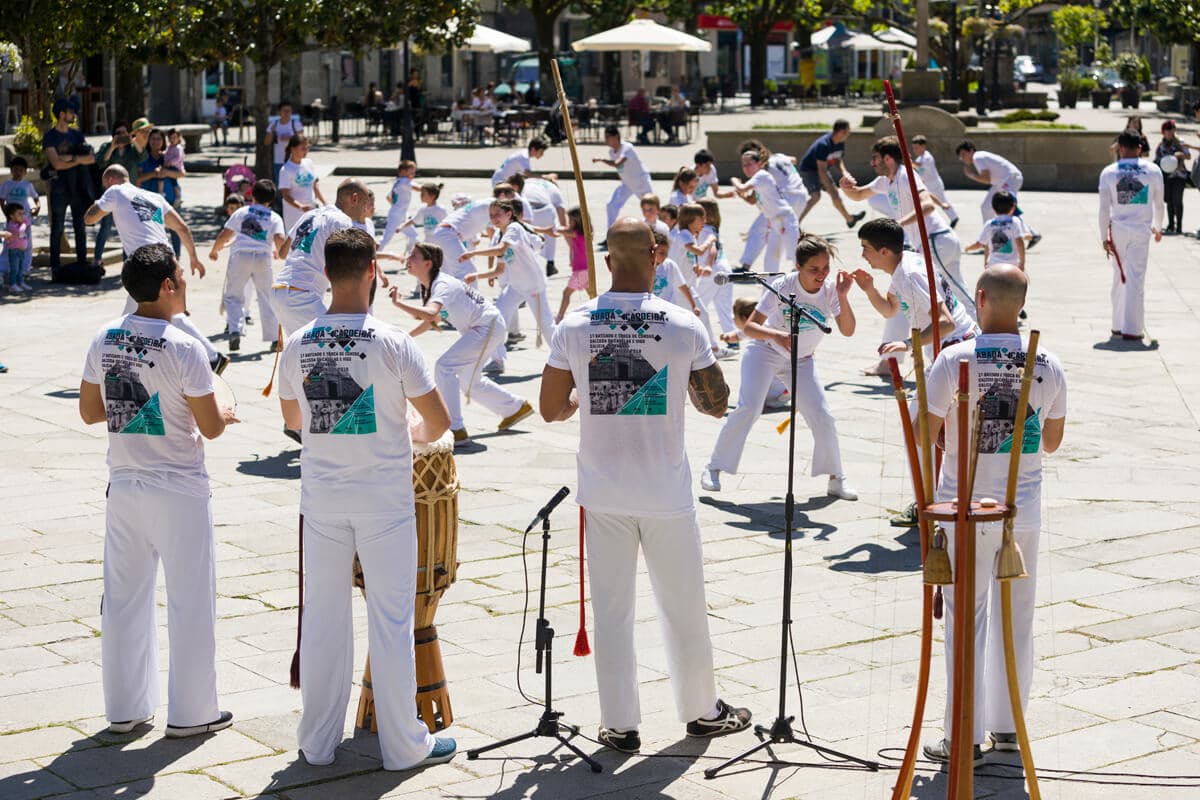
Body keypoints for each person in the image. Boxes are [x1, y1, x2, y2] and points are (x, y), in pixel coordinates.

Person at [539, 217, 752, 754]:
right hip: (665, 490)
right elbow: (716, 404)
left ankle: (619, 724)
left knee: (611, 611)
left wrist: (584, 397)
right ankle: (702, 710)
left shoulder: (575, 325)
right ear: (657, 256)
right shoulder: (682, 324)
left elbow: (549, 409)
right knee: (684, 605)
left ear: (608, 261)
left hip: (603, 489)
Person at [276, 228, 457, 771]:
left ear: (326, 275)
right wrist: (405, 431)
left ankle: (317, 743)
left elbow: (292, 422)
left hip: (324, 502)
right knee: (392, 620)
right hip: (384, 502)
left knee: (324, 621)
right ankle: (403, 745)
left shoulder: (299, 341)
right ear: (373, 271)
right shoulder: (394, 341)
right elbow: (439, 422)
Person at [78, 242, 237, 739]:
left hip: (124, 485)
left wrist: (138, 407)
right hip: (178, 487)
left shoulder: (105, 337)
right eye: (180, 277)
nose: (185, 284)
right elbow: (210, 427)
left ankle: (125, 709)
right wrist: (225, 414)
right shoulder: (184, 347)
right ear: (168, 285)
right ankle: (192, 713)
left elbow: (89, 411)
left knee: (124, 599)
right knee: (191, 599)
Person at [920, 265, 1067, 765]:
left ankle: (965, 734)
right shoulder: (1046, 362)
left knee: (966, 619)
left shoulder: (955, 357)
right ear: (1020, 303)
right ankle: (1008, 726)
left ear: (979, 298)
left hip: (964, 507)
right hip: (1020, 507)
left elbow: (925, 431)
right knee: (1017, 618)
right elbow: (1051, 439)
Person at [701, 234, 859, 500]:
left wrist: (843, 295)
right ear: (797, 266)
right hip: (765, 352)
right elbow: (750, 327)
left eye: (825, 268)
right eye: (814, 269)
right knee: (749, 408)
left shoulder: (831, 289)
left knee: (822, 415)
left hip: (803, 359)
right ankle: (713, 467)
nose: (821, 275)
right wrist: (776, 336)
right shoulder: (784, 285)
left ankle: (836, 479)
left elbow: (848, 330)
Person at [390, 242, 534, 445]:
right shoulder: (433, 285)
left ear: (428, 263)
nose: (409, 259)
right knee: (470, 383)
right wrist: (407, 336)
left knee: (444, 366)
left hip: (487, 327)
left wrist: (398, 304)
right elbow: (434, 320)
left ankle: (455, 429)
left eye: (414, 256)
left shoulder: (441, 285)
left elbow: (431, 314)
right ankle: (516, 408)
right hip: (484, 328)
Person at [84, 166, 224, 372]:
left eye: (105, 185)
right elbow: (182, 228)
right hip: (168, 260)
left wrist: (98, 203)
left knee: (141, 317)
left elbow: (89, 219)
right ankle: (124, 365)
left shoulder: (115, 191)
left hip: (147, 264)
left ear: (112, 180)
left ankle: (212, 357)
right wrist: (194, 258)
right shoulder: (154, 197)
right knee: (150, 314)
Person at [839, 136, 972, 317]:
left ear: (888, 159)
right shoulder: (885, 181)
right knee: (949, 292)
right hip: (933, 243)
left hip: (935, 240)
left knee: (952, 292)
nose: (872, 163)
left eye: (875, 158)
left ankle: (979, 331)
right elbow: (859, 194)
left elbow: (927, 205)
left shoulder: (906, 175)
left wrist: (898, 224)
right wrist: (845, 187)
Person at [851, 218, 977, 362]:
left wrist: (909, 344)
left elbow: (946, 323)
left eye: (865, 248)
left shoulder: (910, 275)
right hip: (954, 344)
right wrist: (869, 289)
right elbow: (890, 309)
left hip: (957, 346)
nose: (862, 255)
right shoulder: (904, 263)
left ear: (884, 251)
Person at [460, 199, 556, 371]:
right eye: (491, 216)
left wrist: (473, 253)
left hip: (533, 285)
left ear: (509, 214)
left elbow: (501, 250)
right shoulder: (499, 235)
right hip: (516, 286)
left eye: (498, 214)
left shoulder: (514, 229)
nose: (494, 218)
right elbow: (499, 269)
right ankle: (497, 361)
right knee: (493, 320)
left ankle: (565, 361)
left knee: (546, 326)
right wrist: (476, 275)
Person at [273, 179, 371, 338]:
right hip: (302, 296)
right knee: (340, 346)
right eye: (365, 203)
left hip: (280, 290)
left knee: (304, 353)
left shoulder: (309, 215)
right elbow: (348, 265)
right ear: (354, 199)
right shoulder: (342, 221)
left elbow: (283, 252)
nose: (365, 210)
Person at [1099, 128, 1164, 341]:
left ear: (1120, 147)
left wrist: (1103, 237)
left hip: (1118, 229)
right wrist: (1159, 226)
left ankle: (1117, 325)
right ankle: (1133, 328)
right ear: (1139, 147)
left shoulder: (1109, 172)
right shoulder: (1153, 170)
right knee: (1135, 278)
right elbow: (1159, 202)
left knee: (1119, 276)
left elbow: (1104, 209)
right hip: (1141, 230)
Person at [209, 179, 286, 354]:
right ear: (271, 199)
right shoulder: (274, 217)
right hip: (262, 258)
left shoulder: (242, 212)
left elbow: (225, 234)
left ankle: (235, 329)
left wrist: (215, 250)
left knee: (233, 295)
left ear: (252, 195)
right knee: (267, 297)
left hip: (240, 256)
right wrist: (282, 253)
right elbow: (280, 239)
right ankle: (274, 338)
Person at [735, 140, 811, 273]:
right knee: (779, 234)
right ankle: (791, 269)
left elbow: (753, 199)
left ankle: (746, 265)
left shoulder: (763, 171)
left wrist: (736, 186)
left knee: (758, 229)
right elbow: (794, 159)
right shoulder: (780, 157)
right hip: (802, 196)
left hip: (787, 200)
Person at [42, 97, 96, 273]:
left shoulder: (77, 135)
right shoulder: (50, 136)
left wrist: (69, 158)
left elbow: (90, 159)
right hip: (59, 189)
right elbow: (56, 164)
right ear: (61, 114)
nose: (74, 115)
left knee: (80, 227)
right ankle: (55, 267)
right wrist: (76, 159)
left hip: (78, 188)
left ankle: (82, 264)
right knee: (57, 228)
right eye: (71, 112)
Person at [956, 140, 1041, 247]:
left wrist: (971, 175)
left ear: (971, 151)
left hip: (1010, 179)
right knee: (986, 207)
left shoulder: (977, 157)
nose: (963, 158)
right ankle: (989, 240)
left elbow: (986, 179)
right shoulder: (979, 157)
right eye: (961, 156)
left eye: (964, 154)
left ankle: (1032, 234)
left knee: (1007, 208)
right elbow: (989, 179)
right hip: (1001, 183)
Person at [797, 119, 865, 228]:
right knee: (816, 196)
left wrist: (845, 172)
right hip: (809, 170)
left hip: (822, 170)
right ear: (841, 132)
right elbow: (822, 171)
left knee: (835, 195)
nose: (849, 134)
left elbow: (838, 160)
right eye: (848, 131)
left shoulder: (840, 143)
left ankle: (850, 219)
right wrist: (831, 189)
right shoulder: (823, 145)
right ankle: (795, 222)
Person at [92, 124, 142, 267]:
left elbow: (142, 155)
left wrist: (133, 141)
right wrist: (113, 146)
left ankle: (129, 261)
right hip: (110, 194)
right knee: (105, 227)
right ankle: (96, 259)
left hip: (129, 195)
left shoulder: (131, 149)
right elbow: (101, 162)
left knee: (129, 227)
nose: (121, 135)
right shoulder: (107, 146)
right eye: (118, 133)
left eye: (124, 132)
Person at [593, 126, 653, 239]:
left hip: (641, 181)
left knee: (650, 207)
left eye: (608, 137)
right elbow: (620, 169)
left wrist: (601, 160)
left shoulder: (627, 147)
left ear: (616, 137)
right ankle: (610, 236)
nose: (606, 140)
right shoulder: (611, 151)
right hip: (627, 184)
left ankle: (655, 233)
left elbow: (618, 163)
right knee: (611, 205)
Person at [136, 129, 185, 255]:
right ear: (148, 141)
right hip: (149, 202)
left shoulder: (168, 156)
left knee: (176, 230)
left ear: (163, 141)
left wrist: (166, 172)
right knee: (154, 233)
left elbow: (182, 173)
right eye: (153, 139)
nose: (156, 142)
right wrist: (154, 173)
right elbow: (137, 178)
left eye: (159, 139)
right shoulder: (143, 157)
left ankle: (176, 262)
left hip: (171, 200)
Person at [511, 173, 567, 276]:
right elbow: (562, 215)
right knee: (551, 235)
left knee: (526, 236)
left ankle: (526, 263)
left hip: (527, 209)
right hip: (545, 210)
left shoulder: (528, 182)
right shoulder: (554, 188)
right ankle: (550, 263)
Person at [430, 195, 492, 280]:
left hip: (449, 248)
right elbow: (476, 241)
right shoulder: (471, 220)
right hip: (465, 253)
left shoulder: (457, 218)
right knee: (467, 272)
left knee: (447, 274)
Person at [0, 156, 40, 278]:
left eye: (21, 170)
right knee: (9, 244)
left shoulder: (27, 185)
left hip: (25, 221)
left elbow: (36, 198)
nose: (18, 173)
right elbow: (1, 200)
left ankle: (24, 269)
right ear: (11, 170)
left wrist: (37, 207)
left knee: (26, 244)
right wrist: (6, 214)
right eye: (15, 170)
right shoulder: (7, 184)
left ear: (25, 172)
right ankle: (4, 267)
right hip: (12, 221)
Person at [278, 134, 325, 234]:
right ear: (293, 149)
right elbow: (286, 196)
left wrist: (325, 203)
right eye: (302, 148)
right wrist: (301, 206)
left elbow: (315, 186)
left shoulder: (309, 163)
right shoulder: (285, 170)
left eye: (307, 148)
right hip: (294, 213)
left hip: (311, 210)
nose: (306, 151)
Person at [911, 134, 958, 227]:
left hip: (934, 184)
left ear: (923, 146)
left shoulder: (927, 157)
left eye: (917, 148)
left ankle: (954, 218)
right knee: (930, 202)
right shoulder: (919, 158)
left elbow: (919, 165)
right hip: (927, 185)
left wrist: (909, 161)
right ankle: (952, 217)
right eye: (914, 148)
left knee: (941, 201)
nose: (915, 150)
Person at [554, 207, 590, 322]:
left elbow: (558, 230)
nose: (569, 223)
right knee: (592, 294)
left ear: (576, 221)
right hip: (585, 269)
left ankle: (559, 317)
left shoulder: (576, 233)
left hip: (581, 270)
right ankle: (600, 312)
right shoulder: (584, 232)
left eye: (570, 221)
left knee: (566, 293)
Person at [1155, 120, 1191, 235]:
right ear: (1163, 132)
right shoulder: (1161, 145)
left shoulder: (1180, 142)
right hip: (1166, 176)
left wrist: (1181, 155)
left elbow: (1188, 156)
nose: (1170, 132)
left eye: (1172, 129)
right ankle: (1171, 224)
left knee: (1178, 200)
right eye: (1167, 129)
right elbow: (1157, 159)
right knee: (1169, 200)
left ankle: (1179, 225)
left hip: (1179, 175)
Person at [265, 101, 303, 185]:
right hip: (278, 160)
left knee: (294, 184)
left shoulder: (296, 124)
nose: (287, 113)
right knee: (280, 185)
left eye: (289, 111)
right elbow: (267, 142)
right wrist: (272, 131)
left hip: (294, 160)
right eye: (284, 111)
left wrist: (290, 138)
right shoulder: (273, 124)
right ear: (279, 112)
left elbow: (302, 141)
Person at [4, 203, 31, 292]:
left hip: (21, 250)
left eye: (23, 213)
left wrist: (24, 222)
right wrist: (25, 223)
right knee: (14, 269)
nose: (22, 216)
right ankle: (12, 284)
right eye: (19, 214)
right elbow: (20, 231)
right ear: (11, 216)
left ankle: (20, 282)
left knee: (20, 268)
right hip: (14, 251)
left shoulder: (20, 223)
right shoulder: (11, 226)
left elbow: (26, 225)